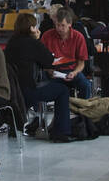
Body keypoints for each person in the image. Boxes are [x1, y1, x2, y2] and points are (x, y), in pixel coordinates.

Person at [5, 12, 72, 143]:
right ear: (31, 28)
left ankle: (27, 123)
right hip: (29, 91)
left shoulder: (11, 43)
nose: (37, 29)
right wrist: (37, 40)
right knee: (63, 90)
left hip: (14, 91)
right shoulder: (32, 43)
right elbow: (49, 61)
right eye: (35, 26)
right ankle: (61, 132)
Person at [41, 8, 92, 99]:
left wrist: (75, 72)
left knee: (86, 85)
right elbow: (41, 61)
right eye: (57, 25)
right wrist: (49, 70)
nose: (59, 28)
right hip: (53, 72)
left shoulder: (78, 37)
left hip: (72, 71)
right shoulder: (47, 36)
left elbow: (81, 63)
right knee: (41, 84)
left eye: (63, 25)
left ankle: (83, 109)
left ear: (70, 24)